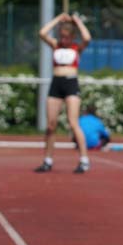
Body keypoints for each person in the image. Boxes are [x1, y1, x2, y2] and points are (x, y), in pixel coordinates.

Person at [35, 12, 92, 174]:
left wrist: (77, 21)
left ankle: (84, 159)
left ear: (72, 37)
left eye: (67, 37)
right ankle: (47, 160)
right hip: (56, 84)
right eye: (62, 36)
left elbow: (87, 38)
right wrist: (58, 19)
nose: (64, 39)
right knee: (51, 125)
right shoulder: (56, 45)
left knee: (73, 123)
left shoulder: (77, 48)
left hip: (71, 84)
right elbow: (42, 33)